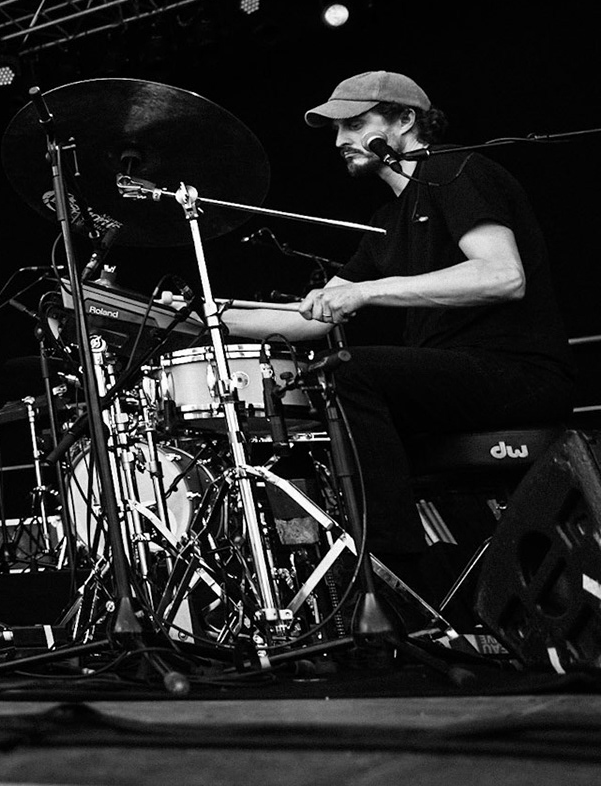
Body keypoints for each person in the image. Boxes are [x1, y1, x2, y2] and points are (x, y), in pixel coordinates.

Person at [224, 71, 572, 595]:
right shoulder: (388, 221)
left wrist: (368, 291)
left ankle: (395, 567)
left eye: (356, 124)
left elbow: (503, 276)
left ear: (406, 120)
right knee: (301, 407)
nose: (340, 141)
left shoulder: (458, 172)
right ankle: (362, 575)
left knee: (351, 371)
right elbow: (306, 318)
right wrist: (192, 314)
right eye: (336, 130)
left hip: (518, 373)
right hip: (460, 386)